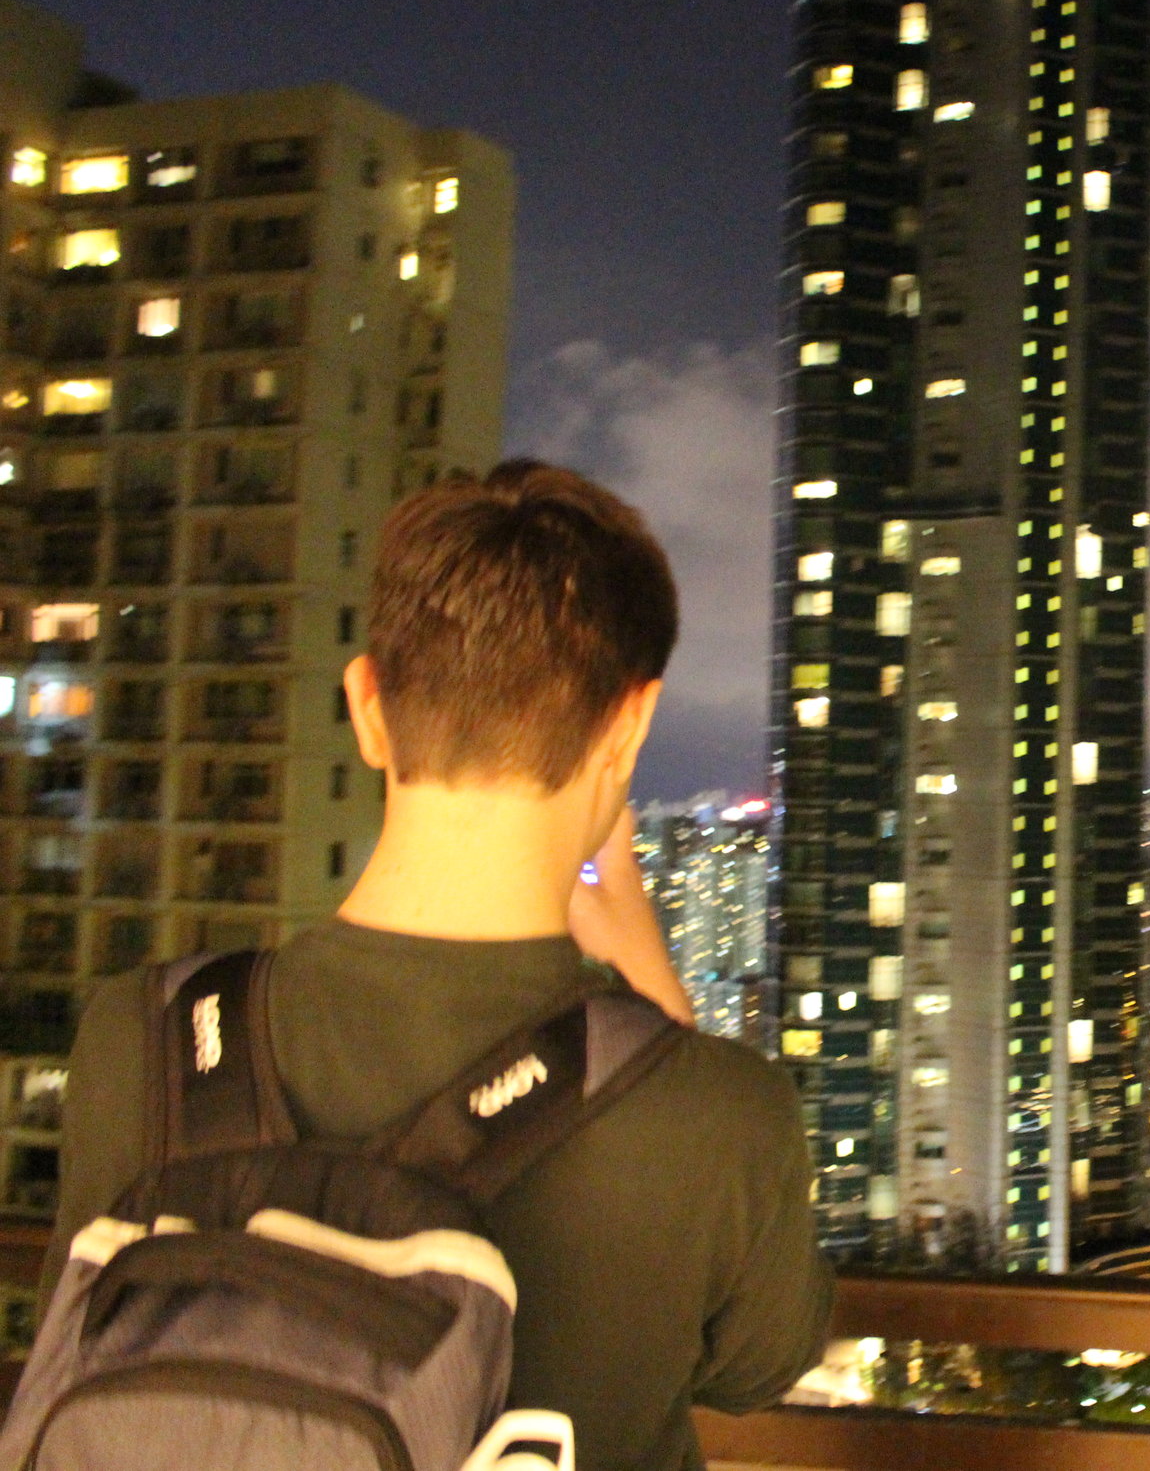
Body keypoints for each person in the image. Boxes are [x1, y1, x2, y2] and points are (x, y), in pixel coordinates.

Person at [39, 460, 835, 1471]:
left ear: (367, 705)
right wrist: (655, 999)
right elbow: (761, 1367)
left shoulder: (141, 1036)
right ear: (627, 726)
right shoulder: (722, 1112)